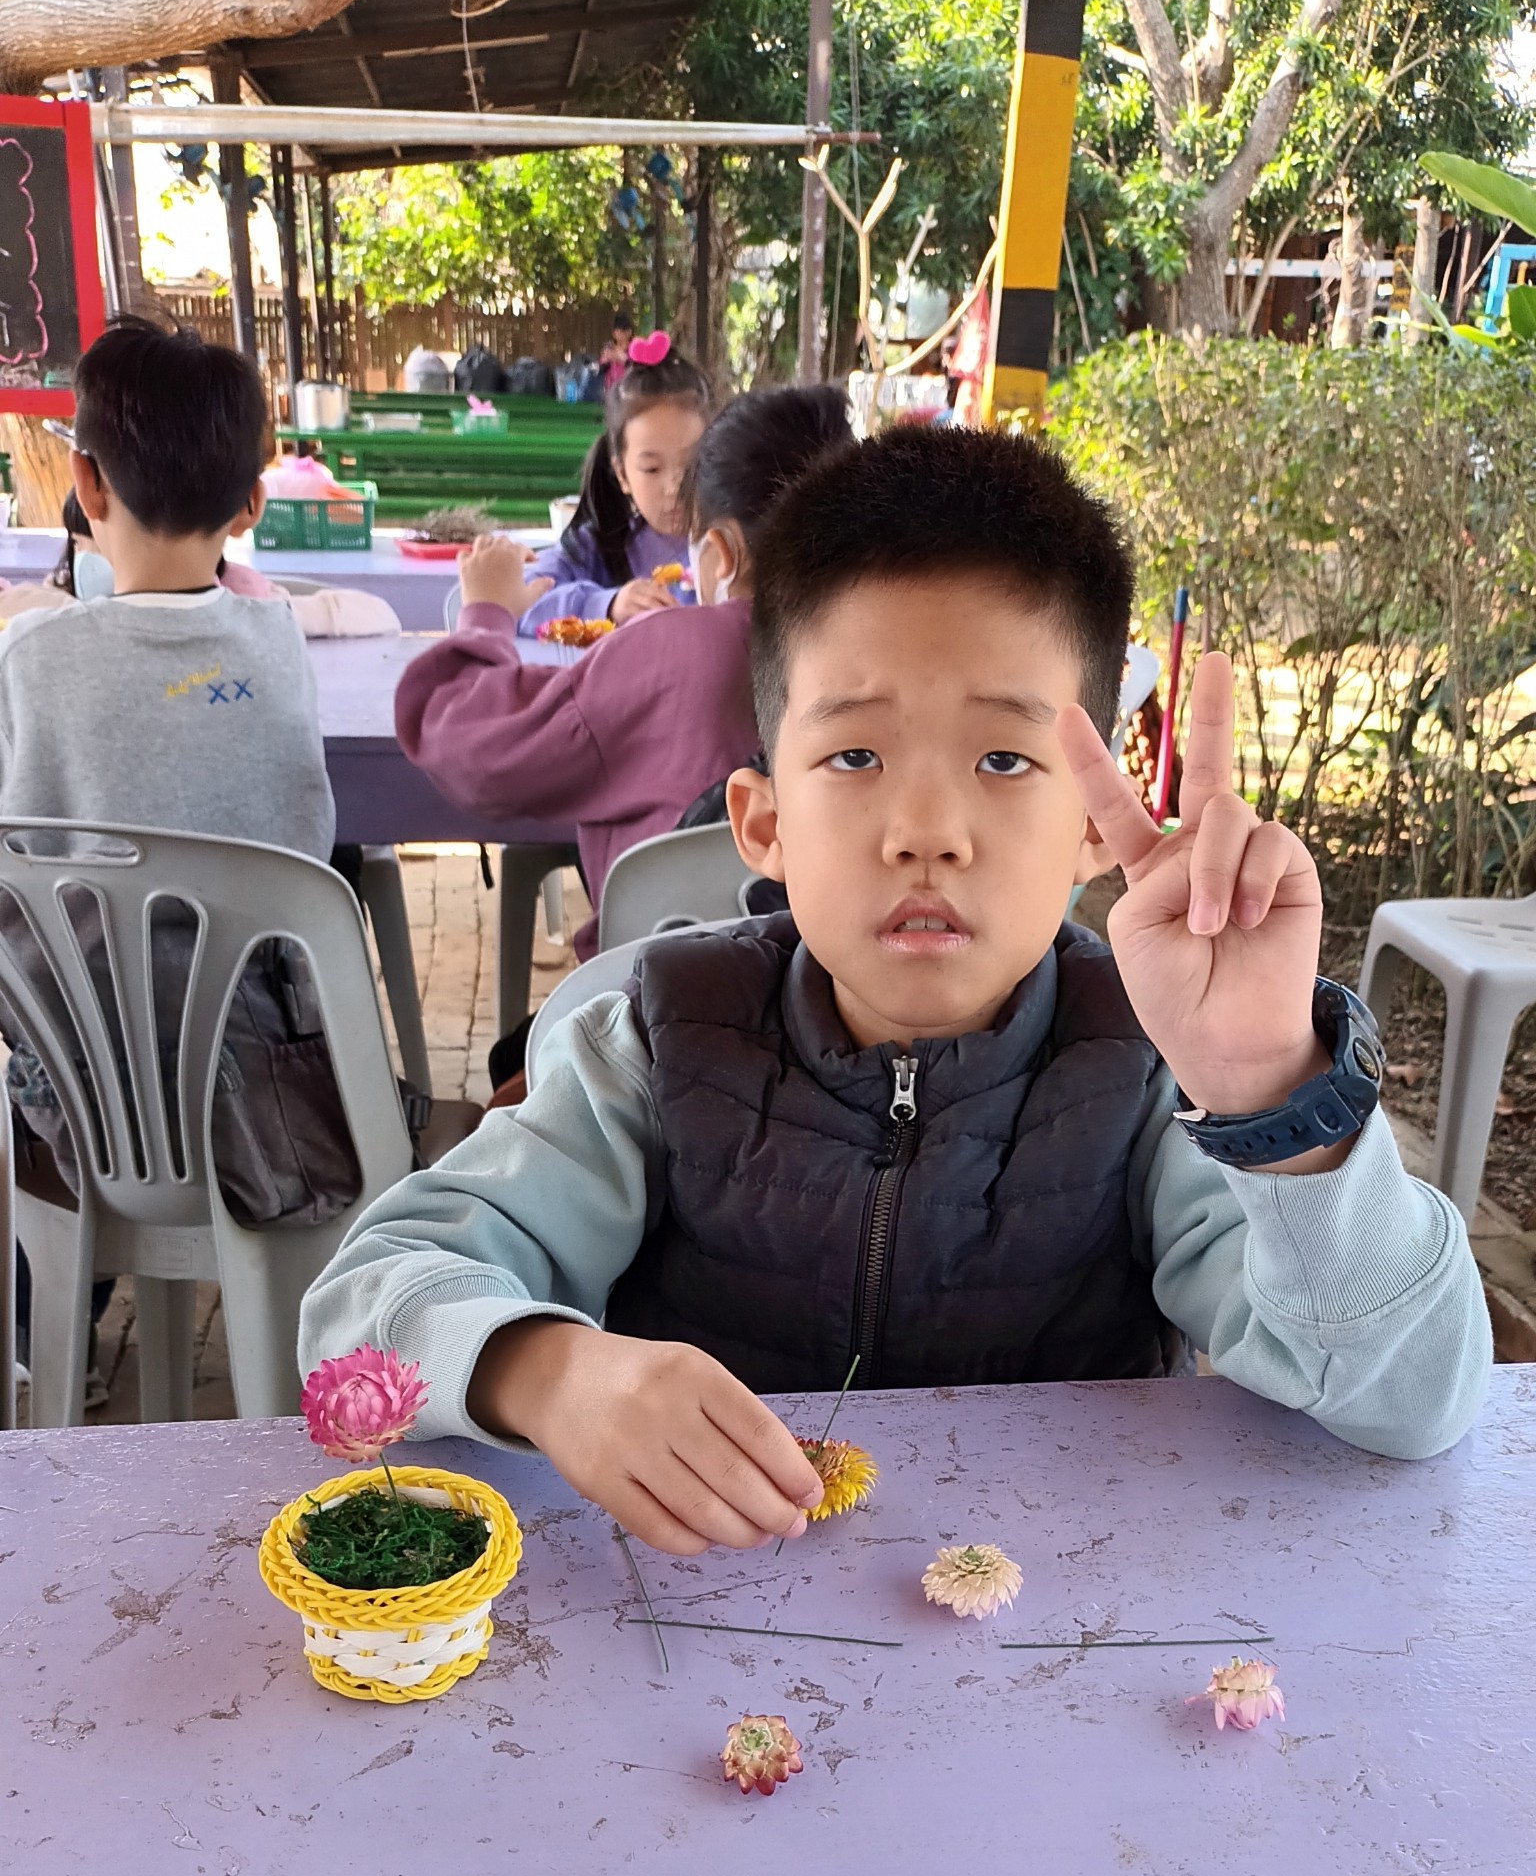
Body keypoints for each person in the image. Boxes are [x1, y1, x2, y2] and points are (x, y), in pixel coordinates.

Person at [303, 425, 1490, 1549]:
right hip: (703, 1614)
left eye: (1004, 758)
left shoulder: (1147, 1074)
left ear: (1094, 823)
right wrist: (546, 1370)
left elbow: (1415, 1399)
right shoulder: (648, 1047)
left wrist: (1272, 1096)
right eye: (856, 754)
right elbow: (361, 1305)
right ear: (763, 821)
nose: (927, 830)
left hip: (1056, 1627)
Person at [4, 317, 362, 1349]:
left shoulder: (31, 658)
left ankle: (46, 1344)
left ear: (86, 484)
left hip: (82, 1114)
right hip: (280, 1109)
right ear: (253, 502)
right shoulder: (278, 643)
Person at [394, 382, 855, 960]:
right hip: (840, 996)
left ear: (720, 554)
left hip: (653, 1000)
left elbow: (469, 743)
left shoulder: (673, 653)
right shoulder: (895, 656)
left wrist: (485, 612)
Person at [513, 334, 710, 640]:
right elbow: (519, 600)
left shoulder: (735, 550)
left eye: (692, 466)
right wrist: (607, 604)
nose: (674, 487)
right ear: (622, 474)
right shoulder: (597, 547)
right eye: (652, 469)